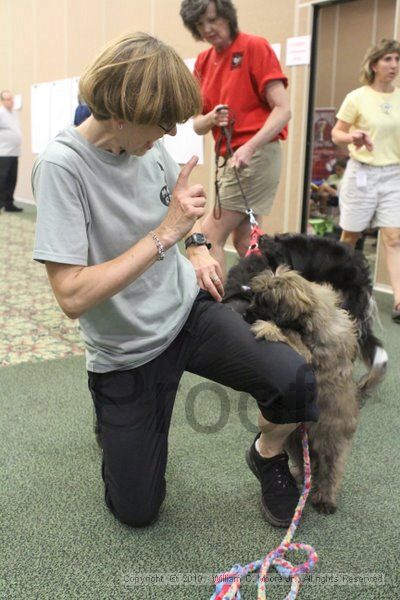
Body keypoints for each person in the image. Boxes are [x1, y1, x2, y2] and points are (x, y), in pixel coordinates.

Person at [32, 32, 318, 529]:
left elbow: (179, 219)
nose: (166, 134)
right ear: (121, 112)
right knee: (137, 512)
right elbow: (71, 295)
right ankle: (115, 423)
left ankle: (268, 456)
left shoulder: (150, 147)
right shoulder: (62, 168)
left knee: (295, 380)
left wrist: (197, 247)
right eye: (160, 123)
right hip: (125, 352)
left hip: (189, 314)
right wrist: (167, 236)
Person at [180, 0, 291, 278]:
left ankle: (219, 303)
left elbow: (283, 109)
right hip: (232, 157)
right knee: (245, 242)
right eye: (200, 25)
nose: (208, 29)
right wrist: (212, 118)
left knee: (208, 234)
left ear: (227, 17)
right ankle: (272, 298)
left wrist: (250, 147)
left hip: (254, 155)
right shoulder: (204, 62)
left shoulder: (254, 46)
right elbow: (197, 124)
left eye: (213, 20)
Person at [332, 39, 400, 323]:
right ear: (374, 65)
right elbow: (337, 134)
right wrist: (353, 137)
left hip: (393, 173)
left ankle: (399, 301)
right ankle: (337, 291)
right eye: (388, 59)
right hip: (362, 172)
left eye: (397, 59)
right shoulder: (357, 97)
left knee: (394, 237)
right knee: (350, 237)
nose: (394, 65)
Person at [0, 90, 23, 212]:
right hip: (3, 153)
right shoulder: (1, 113)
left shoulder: (14, 113)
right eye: (8, 99)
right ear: (2, 101)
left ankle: (9, 204)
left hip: (14, 152)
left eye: (12, 98)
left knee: (12, 180)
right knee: (2, 179)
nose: (11, 101)